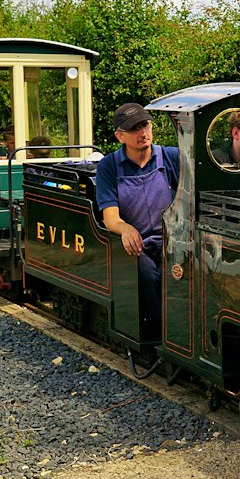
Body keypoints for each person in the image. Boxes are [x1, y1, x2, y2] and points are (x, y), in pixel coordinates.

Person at [95, 103, 180, 340]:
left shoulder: (172, 157)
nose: (142, 133)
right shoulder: (109, 167)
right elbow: (110, 217)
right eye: (134, 129)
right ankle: (155, 336)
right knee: (146, 273)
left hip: (172, 240)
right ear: (120, 136)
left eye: (145, 125)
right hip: (137, 244)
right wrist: (125, 228)